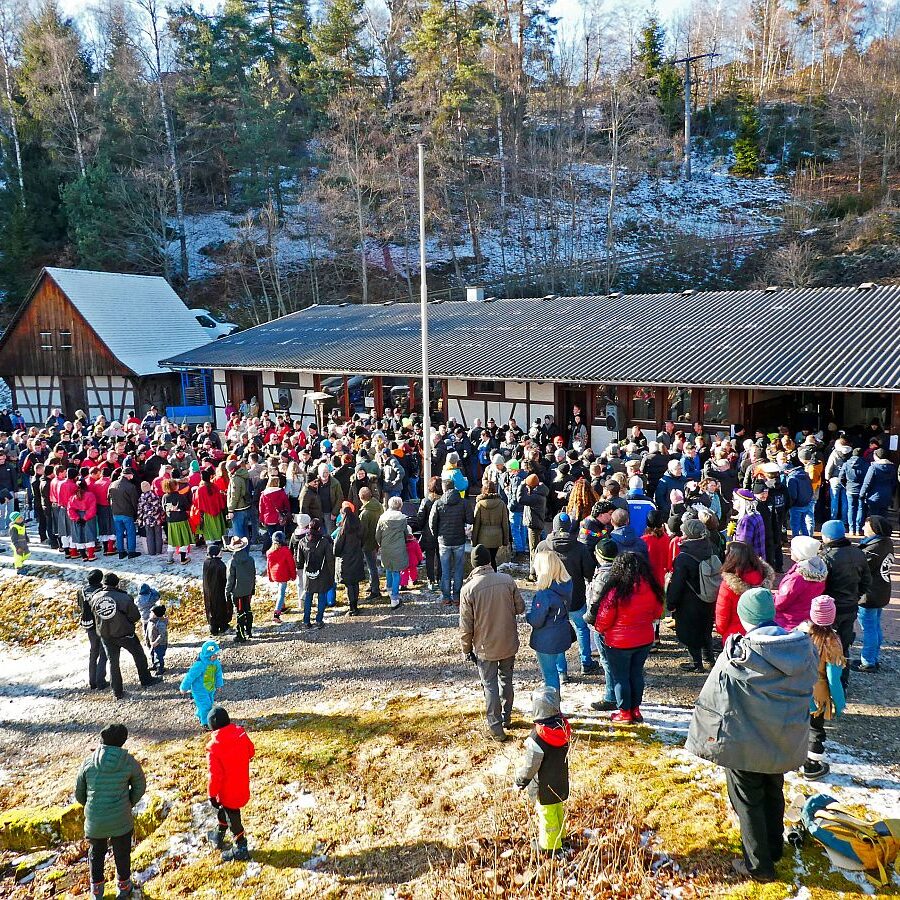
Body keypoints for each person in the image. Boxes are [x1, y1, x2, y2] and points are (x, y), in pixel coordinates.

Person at [685, 588, 818, 884]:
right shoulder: (800, 648)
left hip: (745, 743)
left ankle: (759, 866)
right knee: (774, 789)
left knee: (747, 801)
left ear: (745, 618)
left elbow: (714, 698)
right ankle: (774, 848)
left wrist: (705, 738)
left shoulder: (738, 655)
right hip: (784, 739)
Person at [459, 544, 526, 742]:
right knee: (506, 680)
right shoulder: (507, 580)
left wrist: (466, 648)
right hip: (508, 642)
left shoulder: (468, 589)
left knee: (490, 685)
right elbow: (520, 608)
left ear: (473, 565)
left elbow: (466, 625)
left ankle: (496, 728)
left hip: (484, 647)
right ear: (489, 561)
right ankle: (506, 717)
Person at [75, 723, 146, 900]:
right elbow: (140, 786)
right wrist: (128, 802)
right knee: (122, 853)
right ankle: (124, 888)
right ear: (123, 742)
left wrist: (92, 807)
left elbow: (79, 793)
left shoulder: (89, 762)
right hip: (121, 819)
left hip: (95, 821)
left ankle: (96, 892)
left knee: (96, 855)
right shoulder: (129, 762)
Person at [592, 552, 664, 724]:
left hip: (619, 643)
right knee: (636, 675)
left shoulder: (616, 591)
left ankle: (624, 712)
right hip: (644, 639)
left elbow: (603, 618)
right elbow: (657, 612)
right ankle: (635, 710)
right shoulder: (652, 587)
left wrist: (599, 630)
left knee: (621, 678)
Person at [536, 512, 598, 676]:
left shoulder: (543, 546)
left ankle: (561, 672)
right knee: (582, 628)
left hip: (552, 599)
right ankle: (586, 662)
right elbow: (590, 573)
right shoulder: (579, 547)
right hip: (575, 596)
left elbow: (535, 571)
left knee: (557, 632)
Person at [513, 686, 571, 855]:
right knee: (558, 809)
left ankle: (550, 846)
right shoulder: (563, 728)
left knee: (547, 815)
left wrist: (520, 781)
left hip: (544, 785)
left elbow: (531, 766)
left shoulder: (537, 738)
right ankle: (562, 837)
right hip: (561, 780)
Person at [90, 573, 161, 700]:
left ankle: (117, 691)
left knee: (113, 662)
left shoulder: (95, 597)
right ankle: (145, 679)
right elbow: (135, 616)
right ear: (117, 584)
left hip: (106, 635)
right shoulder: (123, 597)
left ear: (104, 584)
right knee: (139, 655)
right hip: (124, 633)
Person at [798, 595, 845, 780]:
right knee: (815, 730)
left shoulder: (800, 634)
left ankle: (795, 758)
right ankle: (812, 766)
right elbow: (834, 678)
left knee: (799, 726)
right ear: (832, 617)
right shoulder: (832, 642)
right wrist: (839, 703)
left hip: (797, 689)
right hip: (818, 694)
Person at [820, 519, 871, 689]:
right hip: (850, 607)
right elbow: (866, 581)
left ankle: (828, 682)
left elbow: (821, 586)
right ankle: (843, 680)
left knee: (828, 644)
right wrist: (855, 597)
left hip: (831, 609)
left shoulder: (826, 557)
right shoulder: (858, 553)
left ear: (827, 536)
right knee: (845, 643)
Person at [206, 707, 255, 862]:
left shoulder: (214, 747)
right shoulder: (240, 734)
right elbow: (251, 751)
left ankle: (241, 848)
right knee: (225, 813)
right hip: (242, 785)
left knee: (234, 821)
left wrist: (211, 794)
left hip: (227, 793)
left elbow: (215, 776)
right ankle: (219, 833)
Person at [667, 518, 717, 671]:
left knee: (690, 632)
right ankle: (709, 658)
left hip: (689, 601)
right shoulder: (711, 548)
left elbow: (677, 583)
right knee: (706, 629)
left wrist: (671, 602)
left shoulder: (684, 557)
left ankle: (696, 663)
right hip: (709, 597)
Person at [526, 549, 574, 692]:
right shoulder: (566, 584)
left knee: (550, 675)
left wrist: (528, 615)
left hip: (546, 639)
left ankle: (553, 707)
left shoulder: (544, 594)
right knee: (555, 668)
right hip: (561, 632)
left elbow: (537, 620)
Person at [855, 515, 893, 673]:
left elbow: (859, 570)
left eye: (866, 525)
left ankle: (868, 662)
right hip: (881, 592)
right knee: (875, 626)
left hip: (869, 595)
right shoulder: (886, 543)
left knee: (869, 628)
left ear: (875, 529)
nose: (863, 527)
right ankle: (873, 657)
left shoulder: (872, 549)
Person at [715, 541, 774, 641]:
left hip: (735, 636)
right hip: (761, 633)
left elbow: (722, 614)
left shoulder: (728, 585)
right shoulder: (762, 577)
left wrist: (721, 631)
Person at [773, 536, 827, 630]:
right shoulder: (819, 570)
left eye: (792, 548)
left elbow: (779, 603)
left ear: (800, 553)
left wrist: (771, 597)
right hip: (807, 620)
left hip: (789, 623)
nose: (790, 550)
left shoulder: (796, 578)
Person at [429, 477, 467, 607]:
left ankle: (446, 597)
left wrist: (437, 535)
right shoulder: (463, 502)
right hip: (459, 539)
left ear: (444, 488)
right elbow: (470, 519)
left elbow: (432, 523)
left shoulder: (438, 503)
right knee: (458, 569)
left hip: (444, 540)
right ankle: (457, 596)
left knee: (445, 570)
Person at [295, 518, 335, 629]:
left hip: (308, 573)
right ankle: (319, 620)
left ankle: (306, 620)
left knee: (308, 596)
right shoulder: (324, 542)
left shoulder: (302, 541)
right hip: (322, 573)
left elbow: (299, 561)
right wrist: (331, 575)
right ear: (319, 528)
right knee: (321, 597)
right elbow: (330, 559)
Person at [375, 495, 409, 609]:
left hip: (386, 547)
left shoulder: (382, 518)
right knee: (396, 572)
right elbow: (406, 534)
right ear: (400, 506)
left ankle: (389, 589)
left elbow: (377, 535)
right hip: (398, 548)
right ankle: (394, 598)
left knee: (388, 568)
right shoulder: (402, 518)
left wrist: (380, 544)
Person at [180, 640, 224, 727]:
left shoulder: (216, 663)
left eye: (216, 654)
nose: (215, 657)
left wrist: (219, 684)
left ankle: (200, 714)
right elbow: (190, 677)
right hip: (199, 690)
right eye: (213, 655)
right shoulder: (199, 665)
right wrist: (184, 688)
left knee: (209, 703)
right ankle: (205, 723)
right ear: (207, 655)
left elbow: (218, 674)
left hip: (210, 688)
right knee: (206, 706)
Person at [77, 569, 108, 690]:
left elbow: (80, 605)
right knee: (103, 652)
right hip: (100, 623)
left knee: (93, 652)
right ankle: (100, 680)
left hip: (88, 623)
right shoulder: (101, 591)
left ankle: (92, 680)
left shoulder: (81, 591)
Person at [334, 502, 365, 615]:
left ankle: (352, 607)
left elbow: (337, 548)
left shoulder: (342, 530)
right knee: (355, 583)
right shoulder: (359, 526)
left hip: (345, 560)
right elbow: (363, 541)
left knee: (349, 585)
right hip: (357, 557)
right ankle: (355, 605)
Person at [472, 480, 511, 570]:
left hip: (483, 536)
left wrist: (474, 541)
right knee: (492, 558)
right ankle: (494, 577)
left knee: (483, 561)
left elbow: (476, 524)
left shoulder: (479, 504)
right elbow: (505, 523)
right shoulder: (501, 504)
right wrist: (505, 540)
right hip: (497, 536)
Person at [411, 476, 441, 591]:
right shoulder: (443, 501)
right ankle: (440, 578)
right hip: (441, 533)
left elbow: (420, 519)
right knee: (440, 557)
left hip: (428, 533)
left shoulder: (426, 501)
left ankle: (431, 580)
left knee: (430, 557)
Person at [518, 473, 550, 581]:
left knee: (534, 550)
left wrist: (522, 485)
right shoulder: (540, 492)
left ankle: (533, 573)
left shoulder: (536, 497)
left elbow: (520, 499)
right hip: (536, 523)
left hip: (534, 525)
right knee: (535, 548)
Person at [225, 536, 257, 642]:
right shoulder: (251, 559)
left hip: (237, 591)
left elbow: (230, 579)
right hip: (248, 590)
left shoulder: (232, 562)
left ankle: (241, 635)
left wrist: (227, 591)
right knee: (248, 609)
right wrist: (253, 587)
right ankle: (249, 631)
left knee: (240, 612)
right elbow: (253, 575)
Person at [108, 464, 141, 560]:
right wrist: (136, 513)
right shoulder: (131, 487)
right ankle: (131, 551)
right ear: (128, 475)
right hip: (127, 512)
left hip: (115, 512)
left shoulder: (112, 484)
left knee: (119, 533)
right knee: (130, 532)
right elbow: (134, 502)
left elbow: (108, 498)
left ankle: (121, 552)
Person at [358, 487, 384, 602]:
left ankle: (375, 590)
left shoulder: (365, 513)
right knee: (372, 565)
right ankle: (372, 584)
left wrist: (360, 543)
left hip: (368, 543)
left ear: (361, 498)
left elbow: (362, 531)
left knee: (371, 567)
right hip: (377, 540)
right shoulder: (379, 506)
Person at [266, 530, 297, 621]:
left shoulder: (269, 552)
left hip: (275, 575)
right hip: (283, 575)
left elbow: (268, 565)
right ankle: (277, 613)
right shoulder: (285, 550)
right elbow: (291, 564)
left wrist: (270, 576)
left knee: (280, 591)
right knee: (281, 593)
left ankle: (282, 607)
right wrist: (293, 575)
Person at [163, 478, 193, 564]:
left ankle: (169, 559)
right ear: (175, 486)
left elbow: (164, 508)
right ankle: (183, 559)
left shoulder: (165, 497)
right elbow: (187, 507)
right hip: (181, 520)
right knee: (184, 539)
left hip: (171, 522)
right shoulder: (181, 496)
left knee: (172, 540)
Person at [859, 448, 896, 518]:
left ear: (877, 456)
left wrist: (862, 494)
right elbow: (894, 483)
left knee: (873, 518)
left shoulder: (873, 467)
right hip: (887, 496)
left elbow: (867, 483)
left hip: (874, 496)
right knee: (884, 517)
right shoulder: (892, 467)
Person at [67, 478, 98, 561]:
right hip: (88, 517)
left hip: (77, 517)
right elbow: (92, 508)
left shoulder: (73, 497)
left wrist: (76, 518)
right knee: (89, 535)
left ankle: (83, 556)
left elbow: (70, 509)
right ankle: (91, 555)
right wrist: (85, 518)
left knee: (78, 536)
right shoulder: (90, 495)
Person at [204, 543, 232, 636]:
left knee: (210, 608)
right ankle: (223, 626)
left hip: (208, 590)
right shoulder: (220, 565)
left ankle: (213, 627)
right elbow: (224, 578)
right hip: (219, 590)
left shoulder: (206, 562)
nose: (221, 553)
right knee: (221, 608)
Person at [258, 475, 290, 554]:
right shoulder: (281, 493)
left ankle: (272, 551)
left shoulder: (264, 494)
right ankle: (280, 551)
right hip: (279, 518)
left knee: (271, 535)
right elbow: (287, 505)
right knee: (280, 535)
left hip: (268, 518)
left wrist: (261, 519)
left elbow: (261, 508)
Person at [136, 480, 165, 556]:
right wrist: (162, 516)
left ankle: (151, 552)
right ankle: (159, 550)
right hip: (156, 519)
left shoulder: (141, 498)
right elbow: (159, 507)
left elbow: (140, 510)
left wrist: (140, 519)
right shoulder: (154, 495)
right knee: (158, 535)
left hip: (147, 519)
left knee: (149, 536)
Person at [146, 604, 168, 676]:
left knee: (158, 655)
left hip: (160, 643)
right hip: (152, 643)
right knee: (152, 654)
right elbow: (148, 632)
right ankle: (155, 665)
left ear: (156, 614)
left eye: (152, 613)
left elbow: (162, 635)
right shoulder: (151, 622)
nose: (150, 614)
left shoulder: (160, 623)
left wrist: (156, 642)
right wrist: (147, 640)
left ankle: (160, 668)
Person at [9, 511, 29, 575]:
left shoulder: (22, 525)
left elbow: (24, 533)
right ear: (15, 520)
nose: (21, 518)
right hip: (17, 544)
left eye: (21, 517)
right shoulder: (14, 528)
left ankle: (18, 563)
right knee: (18, 556)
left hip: (23, 543)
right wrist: (17, 547)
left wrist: (27, 538)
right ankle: (18, 568)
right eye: (19, 518)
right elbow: (13, 538)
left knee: (27, 554)